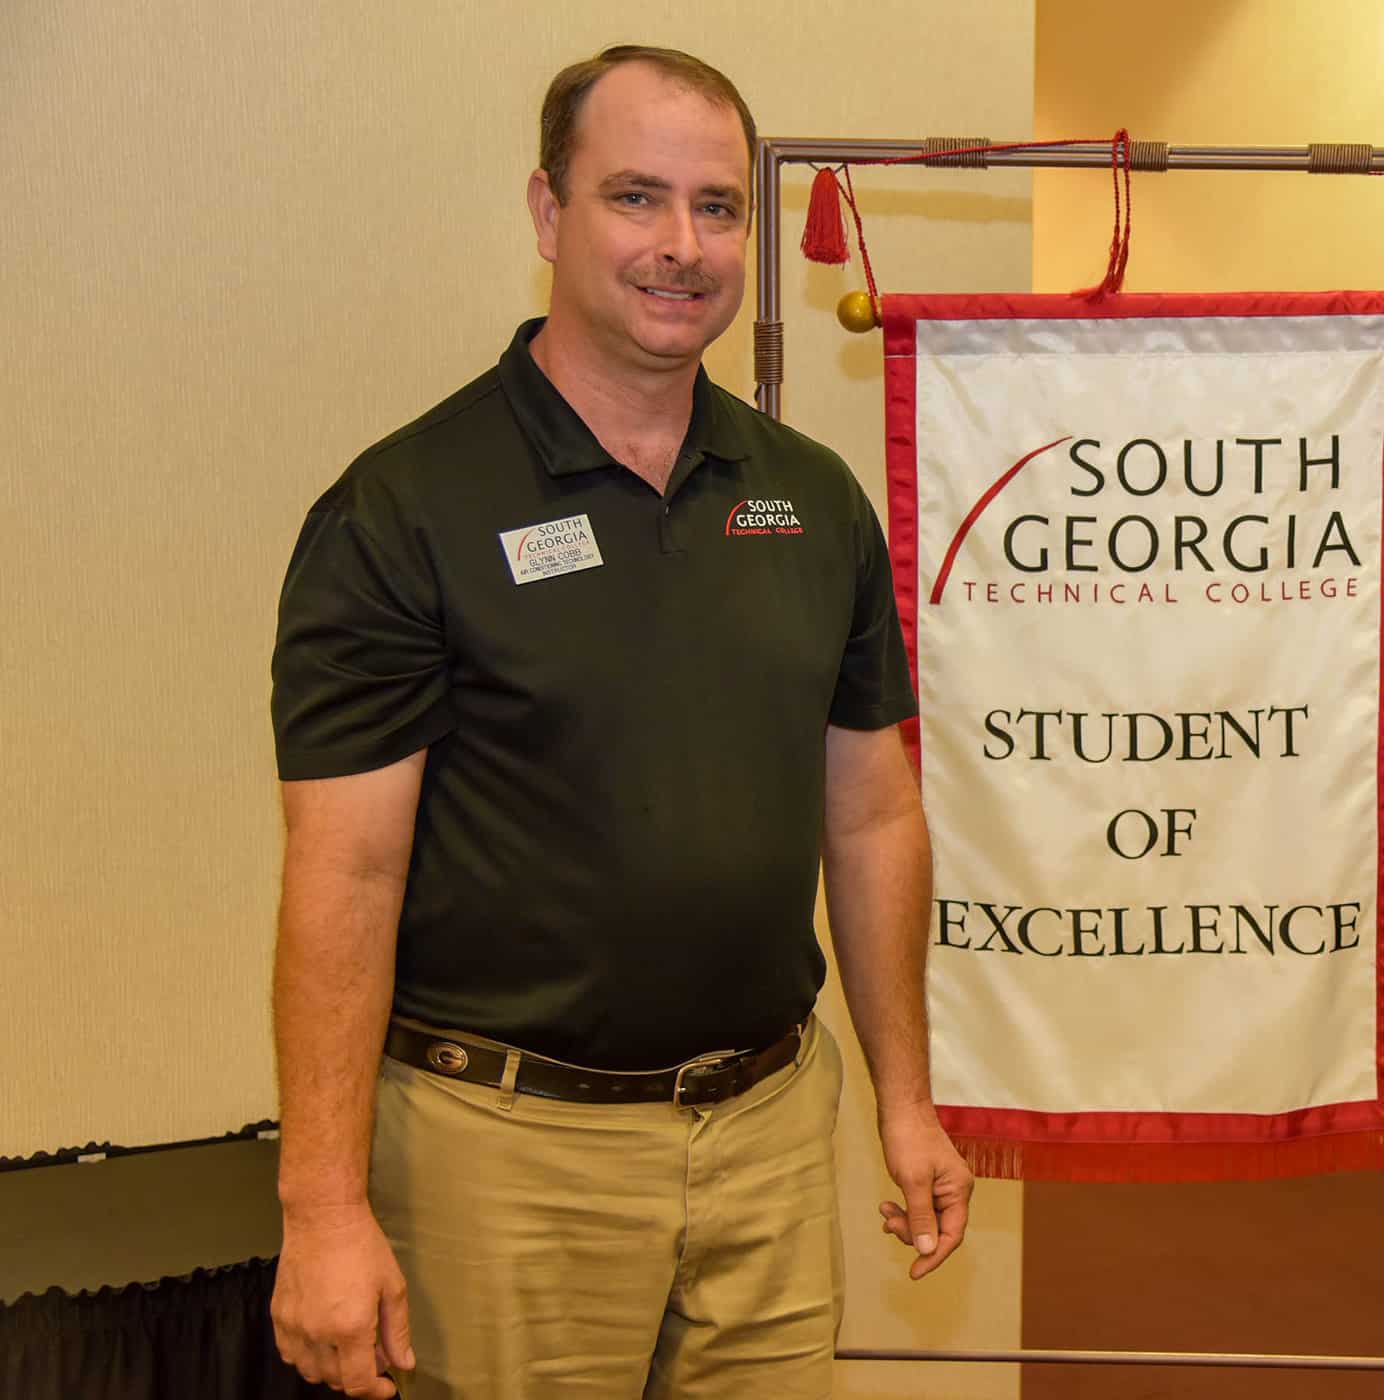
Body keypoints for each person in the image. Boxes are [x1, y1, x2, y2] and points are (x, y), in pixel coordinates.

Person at [266, 45, 970, 1400]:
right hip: (506, 1152)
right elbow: (342, 874)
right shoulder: (406, 509)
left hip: (768, 1129)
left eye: (717, 209)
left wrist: (902, 1097)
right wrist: (322, 1207)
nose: (681, 246)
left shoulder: (807, 499)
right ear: (548, 213)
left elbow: (874, 812)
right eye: (635, 198)